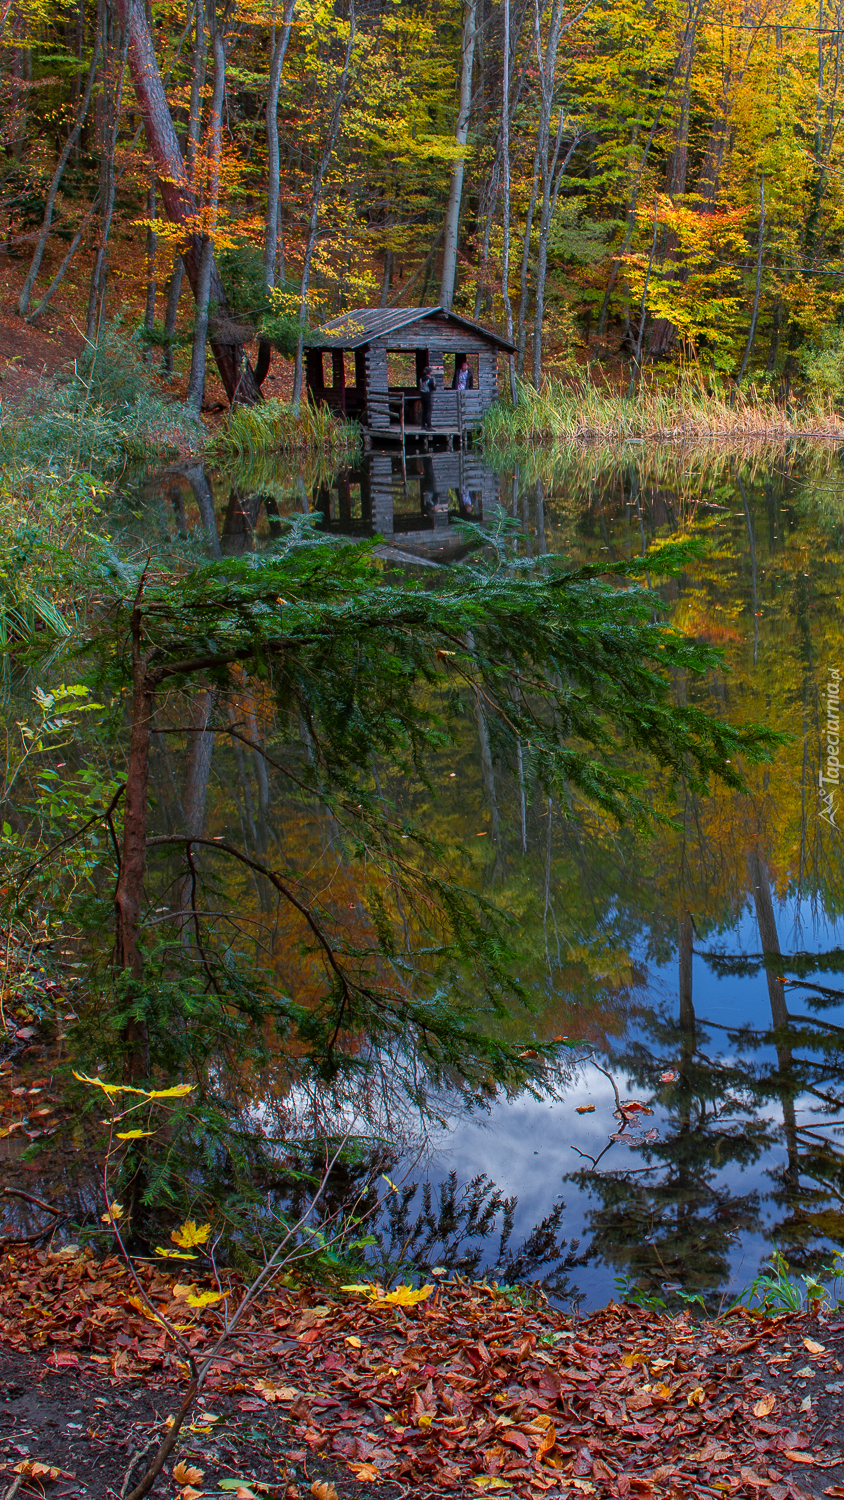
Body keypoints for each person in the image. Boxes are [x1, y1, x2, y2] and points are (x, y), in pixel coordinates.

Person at [418, 364, 436, 430]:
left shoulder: (421, 379)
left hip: (422, 395)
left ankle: (423, 425)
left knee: (424, 410)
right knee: (428, 411)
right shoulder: (429, 380)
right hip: (428, 395)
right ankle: (429, 426)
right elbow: (433, 387)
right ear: (429, 372)